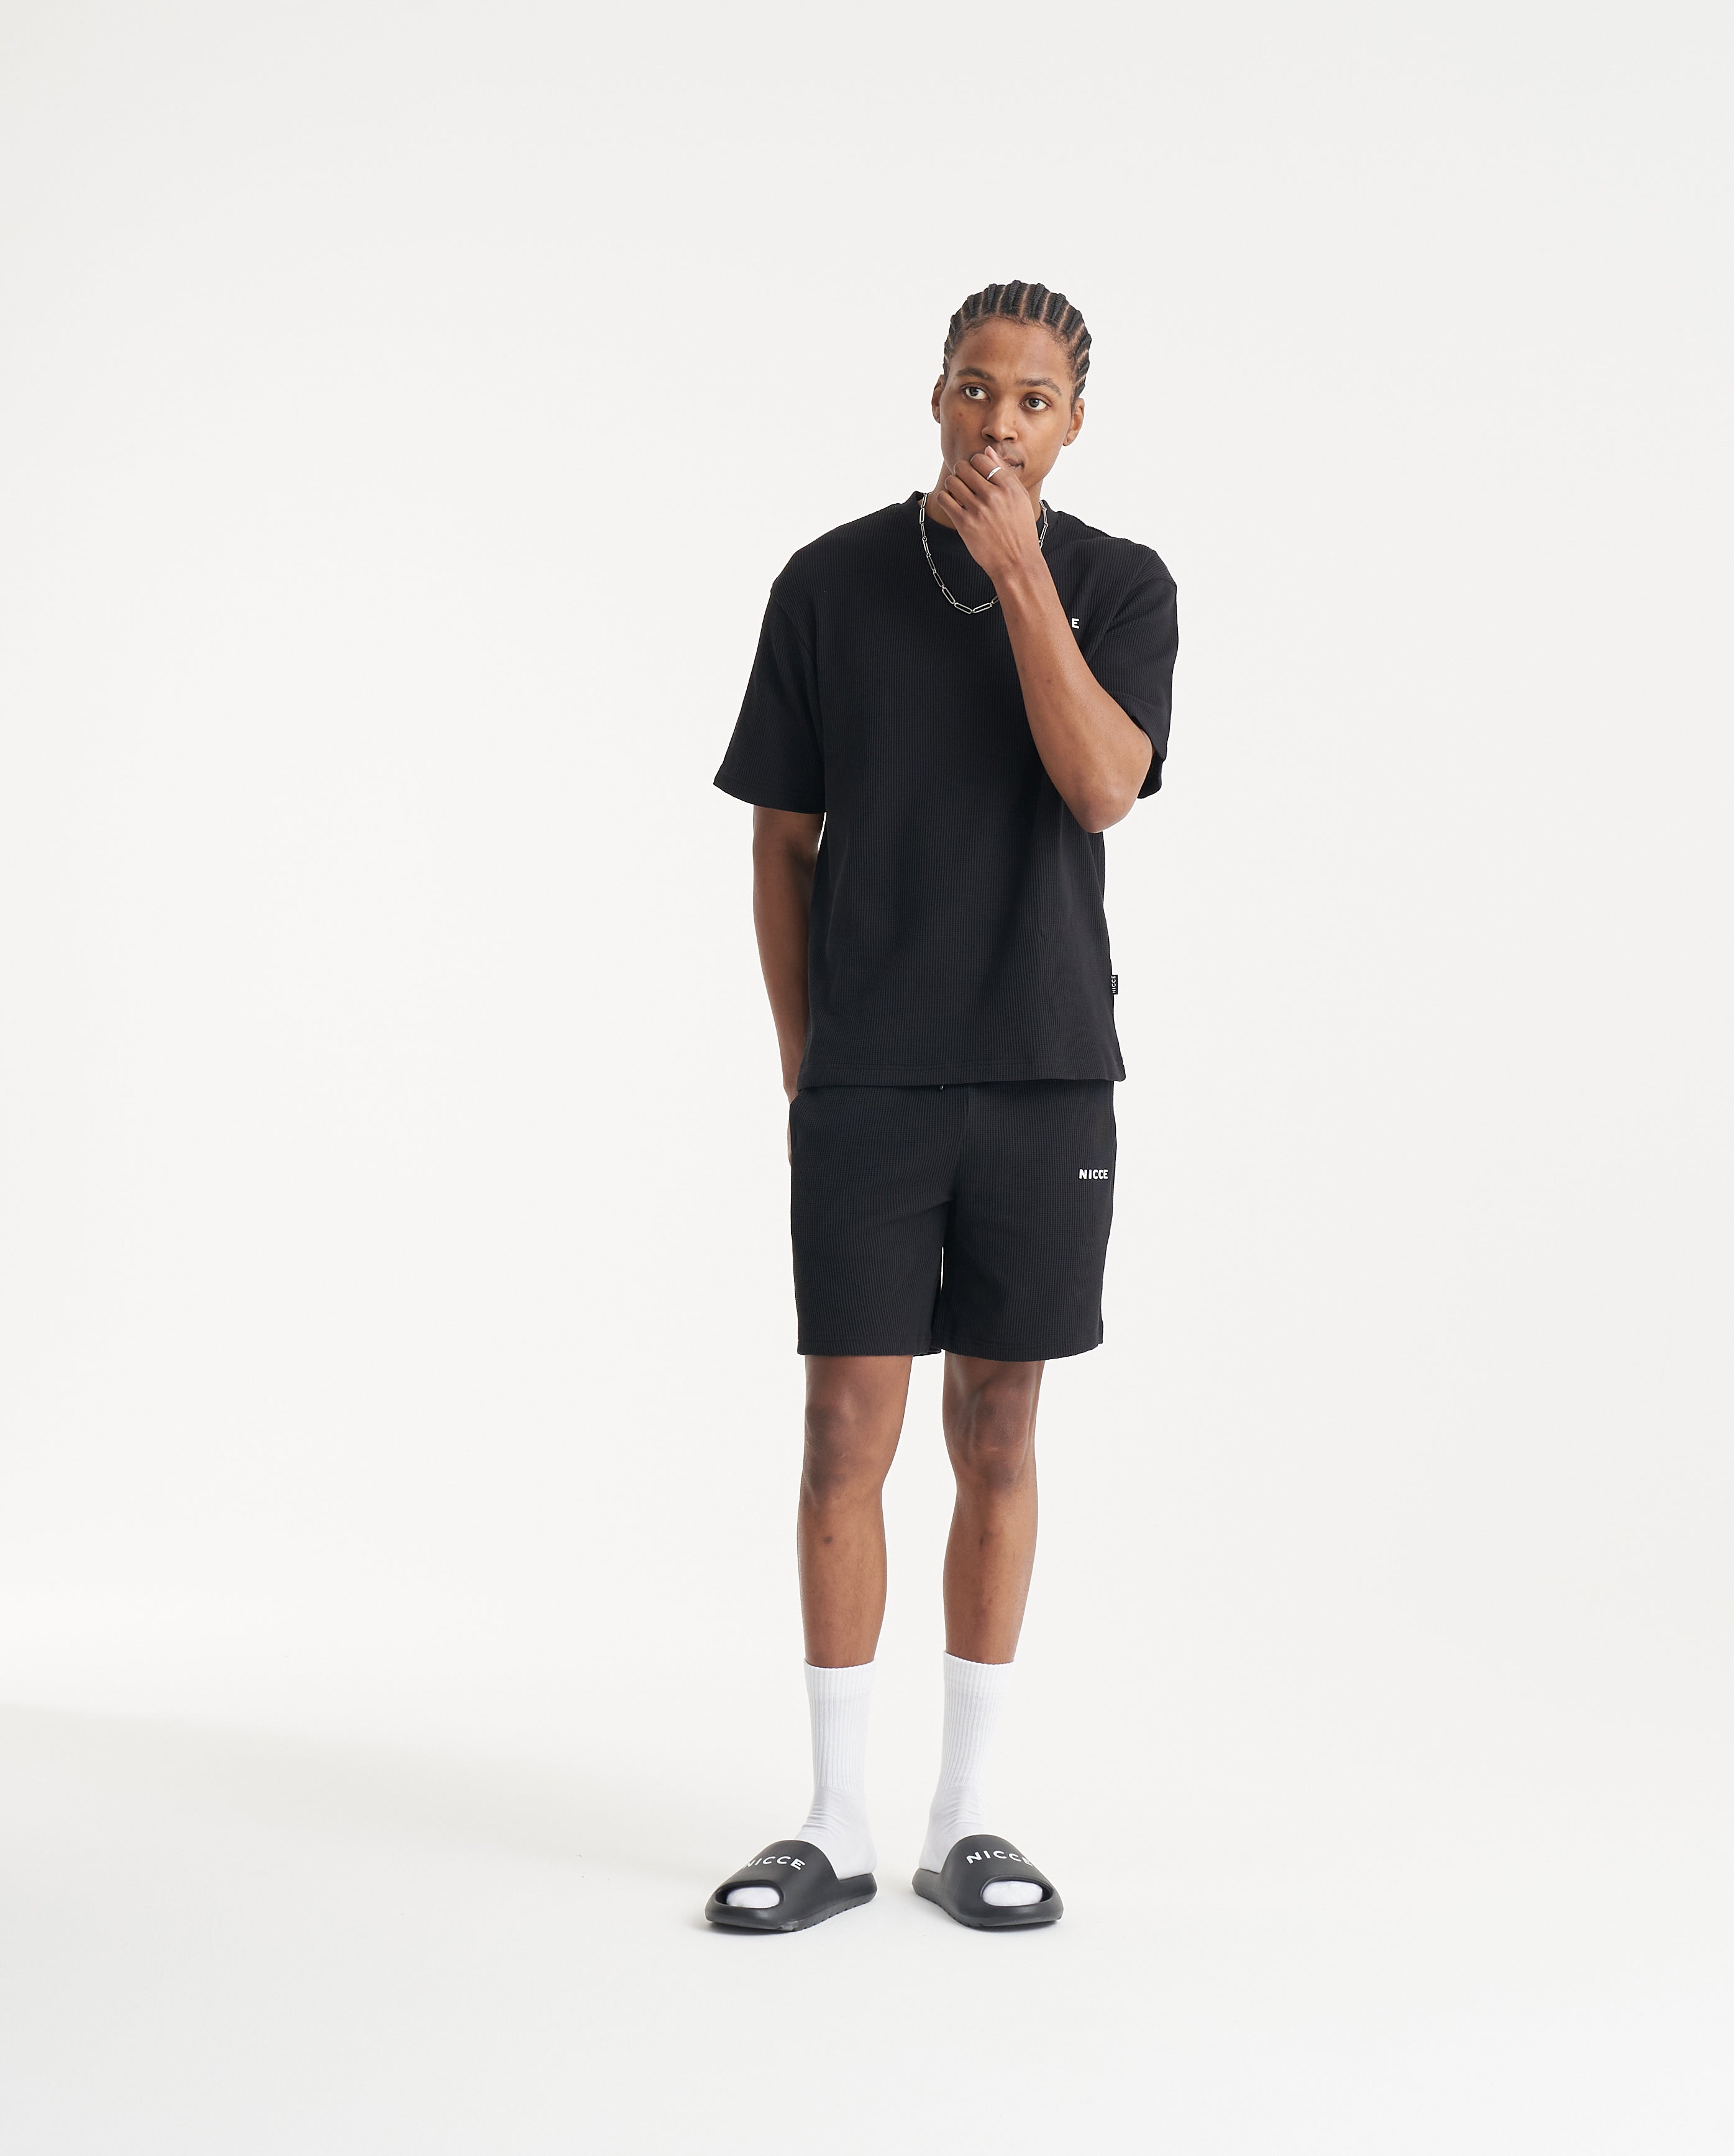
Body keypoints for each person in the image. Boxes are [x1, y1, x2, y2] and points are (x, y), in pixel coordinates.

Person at [703, 280, 1177, 1933]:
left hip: (1045, 1066)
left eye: (1034, 400)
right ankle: (833, 1821)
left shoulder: (1120, 585)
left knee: (1000, 1430)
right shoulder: (829, 583)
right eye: (977, 387)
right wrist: (806, 1055)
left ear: (1074, 423)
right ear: (935, 395)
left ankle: (966, 1816)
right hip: (872, 1078)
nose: (999, 422)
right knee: (846, 1430)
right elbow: (781, 838)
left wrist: (1022, 575)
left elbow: (1102, 786)